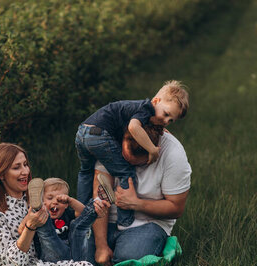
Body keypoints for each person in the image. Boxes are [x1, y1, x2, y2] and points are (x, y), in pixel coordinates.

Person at [0, 142, 188, 266]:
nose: (25, 172)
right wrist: (30, 227)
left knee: (79, 245)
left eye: (25, 164)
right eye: (16, 167)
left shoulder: (28, 197)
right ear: (1, 174)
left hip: (43, 263)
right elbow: (13, 263)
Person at [75, 80, 189, 228]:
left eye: (171, 120)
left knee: (85, 171)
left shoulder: (140, 110)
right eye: (166, 114)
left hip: (82, 132)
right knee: (125, 172)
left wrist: (160, 126)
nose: (166, 121)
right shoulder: (145, 108)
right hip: (99, 135)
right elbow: (134, 127)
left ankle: (80, 210)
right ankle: (125, 220)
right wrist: (152, 149)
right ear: (156, 101)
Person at [92, 127, 191, 266]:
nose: (130, 165)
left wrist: (135, 203)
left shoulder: (174, 155)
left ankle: (163, 246)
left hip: (147, 223)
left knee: (128, 258)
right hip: (107, 219)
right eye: (126, 158)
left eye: (139, 162)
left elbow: (176, 208)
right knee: (78, 251)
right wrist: (101, 245)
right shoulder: (110, 143)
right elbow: (99, 197)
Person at [23, 177, 109, 264]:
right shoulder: (37, 219)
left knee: (78, 226)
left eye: (59, 200)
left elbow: (82, 212)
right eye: (50, 198)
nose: (55, 202)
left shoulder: (67, 214)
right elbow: (21, 229)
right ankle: (37, 208)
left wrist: (70, 200)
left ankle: (100, 201)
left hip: (75, 256)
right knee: (47, 229)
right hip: (52, 260)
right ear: (42, 201)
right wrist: (32, 213)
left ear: (66, 205)